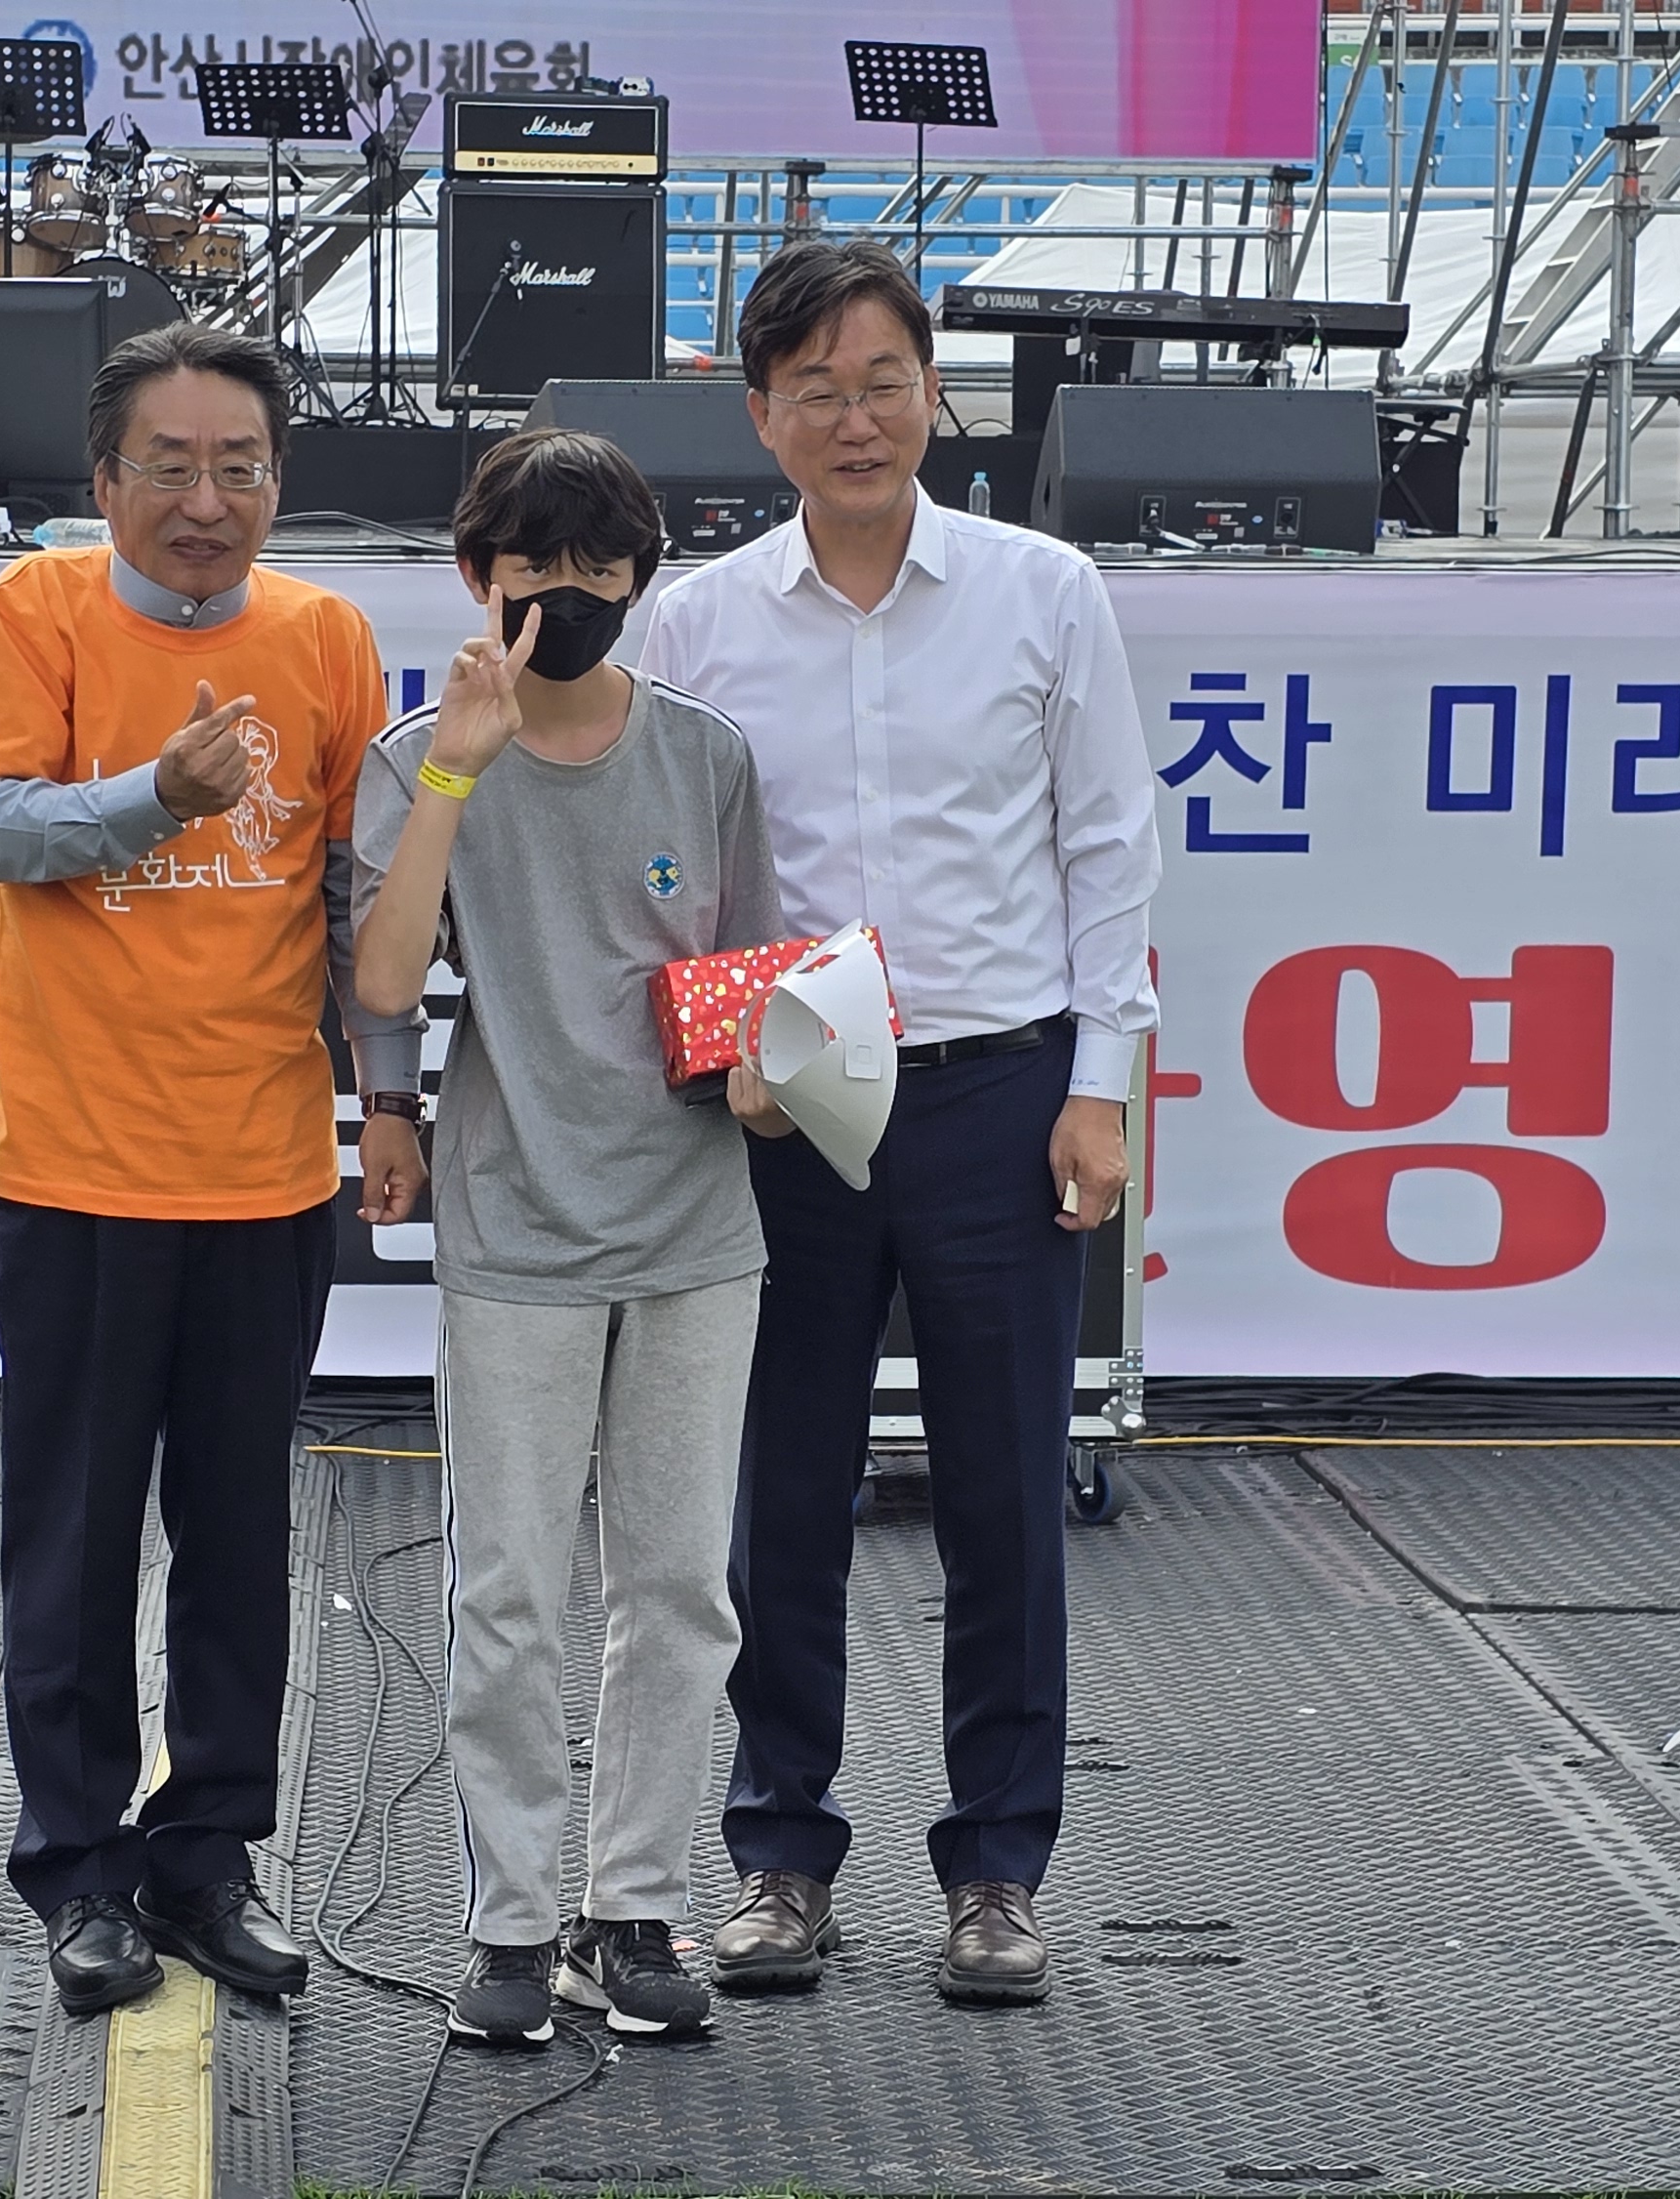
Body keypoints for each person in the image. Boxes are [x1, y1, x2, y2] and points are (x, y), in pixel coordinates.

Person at [636, 240, 1164, 2008]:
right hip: (784, 1108)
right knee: (778, 1490)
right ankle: (779, 1853)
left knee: (1004, 1493)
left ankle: (998, 1870)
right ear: (759, 414)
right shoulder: (700, 620)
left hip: (1000, 1093)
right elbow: (671, 872)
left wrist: (1101, 1088)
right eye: (817, 390)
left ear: (936, 392)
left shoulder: (1042, 591)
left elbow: (1108, 842)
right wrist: (718, 1048)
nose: (854, 420)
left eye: (884, 382)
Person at [0, 322, 430, 2018]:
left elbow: (353, 894)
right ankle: (79, 1871)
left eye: (241, 467)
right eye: (172, 466)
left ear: (278, 483)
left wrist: (388, 1096)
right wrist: (156, 794)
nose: (208, 500)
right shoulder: (38, 612)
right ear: (107, 480)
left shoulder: (327, 636)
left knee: (238, 1539)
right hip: (78, 1171)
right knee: (73, 1545)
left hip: (265, 1171)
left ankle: (209, 1856)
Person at [348, 430, 787, 2050]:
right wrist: (458, 772)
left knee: (677, 1587)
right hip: (515, 1217)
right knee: (511, 1590)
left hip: (694, 1225)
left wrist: (775, 1074)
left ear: (641, 580)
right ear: (481, 579)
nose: (573, 595)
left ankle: (636, 1908)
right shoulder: (419, 758)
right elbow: (381, 980)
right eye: (539, 567)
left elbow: (752, 975)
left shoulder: (706, 755)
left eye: (604, 568)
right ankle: (513, 1923)